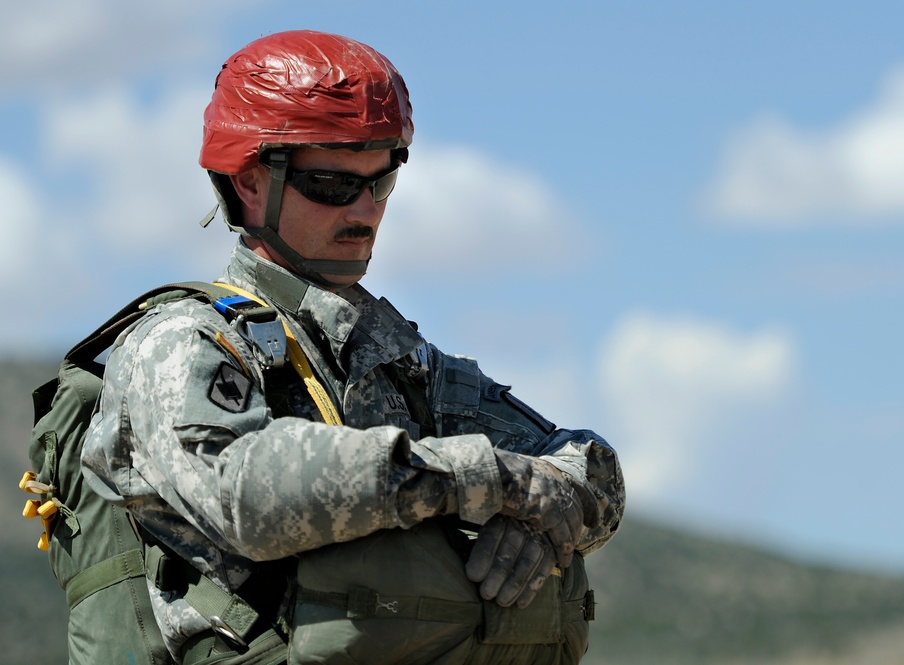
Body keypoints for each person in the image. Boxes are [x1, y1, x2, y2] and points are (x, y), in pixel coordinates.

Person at [82, 29, 625, 665]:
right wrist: (485, 480)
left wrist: (539, 512)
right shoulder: (183, 343)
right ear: (250, 181)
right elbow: (245, 494)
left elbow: (591, 466)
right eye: (335, 185)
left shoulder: (399, 362)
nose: (366, 211)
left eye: (382, 182)